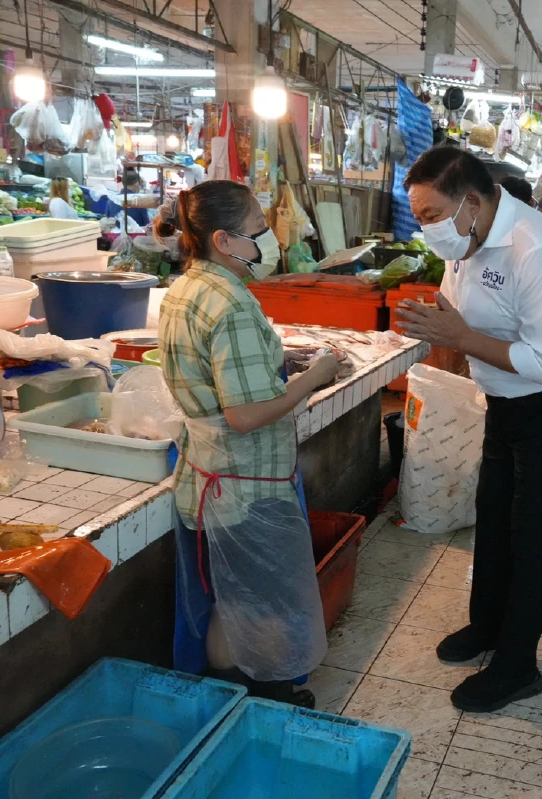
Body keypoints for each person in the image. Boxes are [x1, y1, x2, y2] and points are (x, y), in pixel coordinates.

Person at [395, 147, 542, 713]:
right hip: (505, 403)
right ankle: (486, 627)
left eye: (432, 215)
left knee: (534, 539)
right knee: (494, 520)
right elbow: (458, 310)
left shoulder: (540, 250)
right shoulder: (465, 239)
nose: (426, 229)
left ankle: (518, 667)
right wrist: (429, 322)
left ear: (474, 201)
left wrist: (458, 338)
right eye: (420, 217)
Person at [156, 180, 339, 707]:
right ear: (224, 239)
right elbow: (244, 415)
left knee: (228, 599)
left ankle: (237, 697)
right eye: (258, 229)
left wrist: (278, 366)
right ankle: (264, 697)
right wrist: (314, 376)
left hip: (207, 477)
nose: (269, 238)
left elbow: (218, 382)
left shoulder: (185, 288)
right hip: (243, 483)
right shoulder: (232, 304)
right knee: (258, 602)